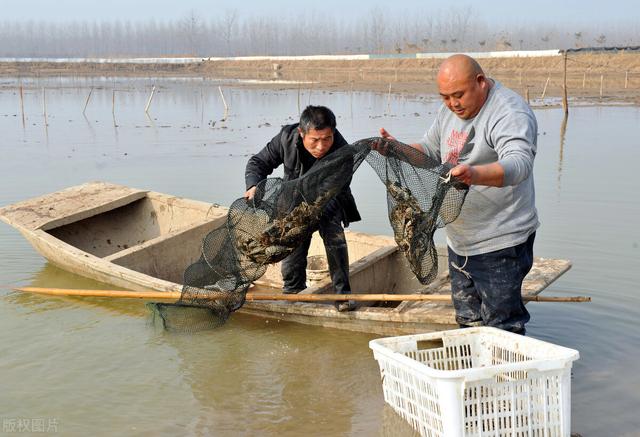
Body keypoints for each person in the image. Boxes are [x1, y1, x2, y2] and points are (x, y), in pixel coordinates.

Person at [380, 54, 539, 334]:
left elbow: (519, 164)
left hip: (500, 241)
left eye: (458, 95)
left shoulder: (509, 112)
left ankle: (507, 377)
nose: (453, 103)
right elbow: (429, 150)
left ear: (481, 82)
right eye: (445, 97)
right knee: (468, 323)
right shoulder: (450, 111)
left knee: (502, 328)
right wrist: (399, 149)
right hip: (460, 241)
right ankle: (472, 377)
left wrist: (474, 174)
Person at [245, 105, 360, 312]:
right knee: (291, 249)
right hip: (293, 201)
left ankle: (342, 294)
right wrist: (253, 185)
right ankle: (293, 292)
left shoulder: (343, 152)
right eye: (314, 140)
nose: (321, 146)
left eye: (327, 139)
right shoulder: (286, 138)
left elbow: (329, 190)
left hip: (329, 198)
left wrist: (304, 214)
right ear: (301, 133)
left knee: (334, 236)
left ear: (333, 133)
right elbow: (259, 162)